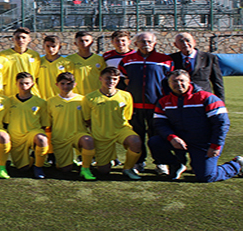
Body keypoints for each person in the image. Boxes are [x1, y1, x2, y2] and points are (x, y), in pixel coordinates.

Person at [149, 70, 242, 182]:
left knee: (206, 177)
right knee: (155, 142)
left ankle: (236, 165)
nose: (178, 84)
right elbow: (160, 124)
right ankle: (176, 165)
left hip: (203, 143)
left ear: (189, 81)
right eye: (174, 81)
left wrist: (215, 145)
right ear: (168, 83)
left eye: (182, 80)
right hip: (180, 140)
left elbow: (222, 124)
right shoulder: (164, 101)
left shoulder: (207, 98)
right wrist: (172, 137)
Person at [119, 32, 173, 175]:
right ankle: (138, 162)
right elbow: (123, 82)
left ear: (155, 43)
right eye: (142, 41)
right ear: (136, 44)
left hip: (157, 106)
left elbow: (170, 84)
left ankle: (160, 163)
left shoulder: (165, 60)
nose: (146, 44)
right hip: (134, 106)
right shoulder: (127, 60)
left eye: (149, 41)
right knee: (137, 135)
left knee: (156, 136)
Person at [82, 67, 142, 180]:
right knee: (104, 171)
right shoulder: (89, 98)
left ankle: (128, 168)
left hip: (121, 129)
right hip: (101, 134)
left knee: (135, 141)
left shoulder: (126, 96)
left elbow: (127, 116)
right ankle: (109, 159)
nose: (111, 81)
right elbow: (87, 119)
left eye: (114, 79)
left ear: (118, 80)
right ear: (100, 78)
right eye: (108, 78)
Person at [46, 72, 96, 180]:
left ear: (75, 84)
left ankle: (85, 168)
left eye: (69, 83)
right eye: (62, 83)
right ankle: (68, 160)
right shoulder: (50, 102)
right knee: (65, 169)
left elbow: (88, 120)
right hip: (60, 138)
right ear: (57, 85)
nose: (65, 86)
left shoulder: (82, 100)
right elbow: (48, 125)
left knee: (88, 140)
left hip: (78, 134)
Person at [5, 72, 50, 179]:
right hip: (16, 137)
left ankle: (38, 166)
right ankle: (33, 157)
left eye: (27, 83)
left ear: (33, 84)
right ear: (16, 84)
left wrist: (37, 134)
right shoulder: (9, 101)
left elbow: (44, 124)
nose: (24, 86)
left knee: (42, 139)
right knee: (22, 169)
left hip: (32, 133)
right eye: (21, 83)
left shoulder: (40, 102)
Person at [168, 32, 224, 100]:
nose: (185, 44)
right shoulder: (171, 59)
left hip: (203, 98)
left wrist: (220, 102)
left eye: (188, 40)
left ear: (194, 42)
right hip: (180, 99)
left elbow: (217, 82)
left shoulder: (209, 58)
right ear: (175, 45)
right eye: (181, 41)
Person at [0, 27, 41, 97]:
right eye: (18, 38)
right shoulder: (3, 55)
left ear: (29, 40)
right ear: (13, 39)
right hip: (10, 93)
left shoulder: (34, 55)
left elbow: (37, 76)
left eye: (23, 37)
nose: (21, 40)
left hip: (31, 93)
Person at [67, 31, 106, 95]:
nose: (84, 43)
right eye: (81, 41)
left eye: (87, 40)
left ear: (92, 42)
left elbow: (104, 77)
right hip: (76, 95)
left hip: (96, 94)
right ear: (75, 43)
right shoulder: (69, 60)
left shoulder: (99, 59)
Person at [36, 35, 73, 99]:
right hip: (41, 98)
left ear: (59, 47)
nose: (51, 49)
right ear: (43, 46)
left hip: (59, 99)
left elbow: (70, 82)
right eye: (48, 46)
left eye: (53, 46)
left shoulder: (67, 63)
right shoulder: (38, 62)